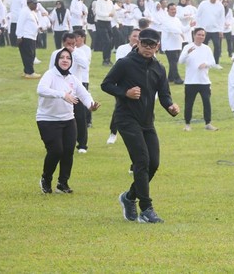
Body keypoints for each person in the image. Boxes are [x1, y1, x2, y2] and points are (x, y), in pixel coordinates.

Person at [101, 28, 180, 223]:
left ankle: (129, 197)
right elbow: (107, 84)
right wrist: (125, 92)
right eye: (144, 44)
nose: (147, 48)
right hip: (126, 119)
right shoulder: (125, 64)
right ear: (138, 43)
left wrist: (170, 106)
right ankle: (146, 209)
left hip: (147, 121)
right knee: (142, 161)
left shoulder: (159, 68)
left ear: (157, 47)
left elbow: (164, 95)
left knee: (153, 163)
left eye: (151, 45)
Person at [37, 48, 100, 194]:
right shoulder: (50, 74)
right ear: (56, 60)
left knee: (68, 151)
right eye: (62, 57)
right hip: (47, 119)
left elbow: (84, 94)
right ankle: (46, 179)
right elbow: (41, 89)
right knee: (56, 150)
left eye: (68, 58)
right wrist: (62, 95)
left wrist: (90, 105)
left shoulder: (72, 78)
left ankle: (62, 183)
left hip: (68, 119)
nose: (65, 60)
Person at [106, 28, 141, 146]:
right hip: (123, 85)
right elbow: (121, 64)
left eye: (139, 36)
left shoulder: (145, 49)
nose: (136, 38)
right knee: (119, 108)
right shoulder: (122, 48)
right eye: (134, 36)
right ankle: (113, 133)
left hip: (139, 84)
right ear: (129, 37)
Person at [179, 28, 218, 131]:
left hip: (204, 81)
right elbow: (180, 61)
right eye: (199, 34)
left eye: (203, 35)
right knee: (189, 103)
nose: (201, 37)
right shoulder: (188, 47)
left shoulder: (207, 48)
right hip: (191, 81)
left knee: (207, 102)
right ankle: (187, 124)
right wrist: (187, 52)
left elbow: (213, 62)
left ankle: (208, 123)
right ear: (194, 35)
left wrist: (206, 64)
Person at [160, 3, 193, 85]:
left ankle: (170, 78)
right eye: (171, 9)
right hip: (169, 45)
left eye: (174, 9)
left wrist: (190, 25)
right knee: (173, 62)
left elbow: (183, 29)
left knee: (174, 62)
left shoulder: (177, 19)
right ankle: (177, 78)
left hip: (177, 44)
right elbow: (171, 28)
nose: (173, 11)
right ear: (167, 10)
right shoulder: (165, 19)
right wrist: (180, 32)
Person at [196, 0, 225, 68]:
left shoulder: (220, 6)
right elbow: (198, 16)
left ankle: (216, 63)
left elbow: (222, 19)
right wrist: (198, 28)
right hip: (204, 30)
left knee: (217, 46)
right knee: (203, 46)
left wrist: (221, 30)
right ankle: (202, 61)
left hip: (215, 30)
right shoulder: (203, 4)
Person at [16, 0, 41, 79]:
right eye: (34, 4)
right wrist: (19, 36)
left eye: (36, 4)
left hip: (32, 36)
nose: (36, 5)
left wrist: (39, 28)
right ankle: (30, 72)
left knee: (32, 55)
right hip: (26, 36)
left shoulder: (32, 12)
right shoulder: (25, 11)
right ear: (29, 4)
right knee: (28, 55)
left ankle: (27, 71)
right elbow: (20, 23)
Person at [94, 0, 116, 66]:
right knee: (106, 41)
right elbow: (98, 12)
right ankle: (105, 60)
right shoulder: (99, 2)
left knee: (110, 41)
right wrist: (108, 14)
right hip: (101, 23)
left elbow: (113, 12)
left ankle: (108, 59)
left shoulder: (110, 2)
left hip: (108, 23)